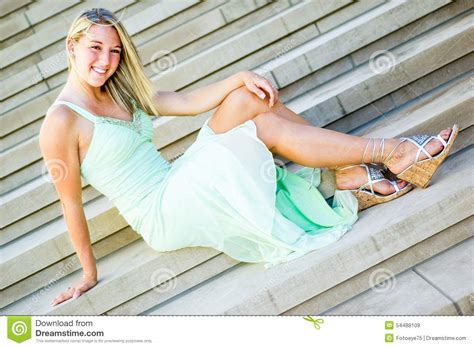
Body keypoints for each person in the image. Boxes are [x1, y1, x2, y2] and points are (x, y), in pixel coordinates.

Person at [39, 8, 458, 307]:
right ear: (71, 46)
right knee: (263, 125)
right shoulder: (61, 122)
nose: (106, 61)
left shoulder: (120, 91)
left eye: (114, 52)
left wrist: (241, 77)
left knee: (247, 99)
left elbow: (186, 101)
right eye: (95, 48)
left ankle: (357, 166)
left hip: (178, 180)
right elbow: (70, 204)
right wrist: (89, 275)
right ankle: (388, 153)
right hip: (161, 211)